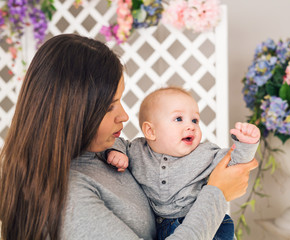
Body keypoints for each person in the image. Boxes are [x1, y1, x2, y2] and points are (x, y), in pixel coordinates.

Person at [0, 34, 258, 240]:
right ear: (73, 111)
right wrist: (217, 193)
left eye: (120, 101)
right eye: (109, 106)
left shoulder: (107, 152)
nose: (124, 115)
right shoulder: (69, 196)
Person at [107, 87, 261, 240]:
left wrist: (246, 144)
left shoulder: (205, 153)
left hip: (207, 225)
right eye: (179, 119)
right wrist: (116, 152)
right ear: (150, 131)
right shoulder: (137, 150)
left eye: (195, 120)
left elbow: (236, 164)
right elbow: (119, 143)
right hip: (162, 229)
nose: (191, 126)